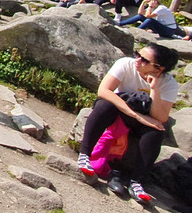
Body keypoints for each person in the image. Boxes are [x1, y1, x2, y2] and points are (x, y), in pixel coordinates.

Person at [76, 43, 180, 202]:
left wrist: (154, 89)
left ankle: (136, 181)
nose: (137, 60)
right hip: (119, 109)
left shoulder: (169, 84)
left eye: (144, 60)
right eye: (137, 54)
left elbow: (161, 117)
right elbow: (103, 91)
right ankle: (85, 154)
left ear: (158, 69)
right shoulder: (125, 64)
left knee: (156, 131)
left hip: (140, 117)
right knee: (104, 105)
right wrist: (136, 115)